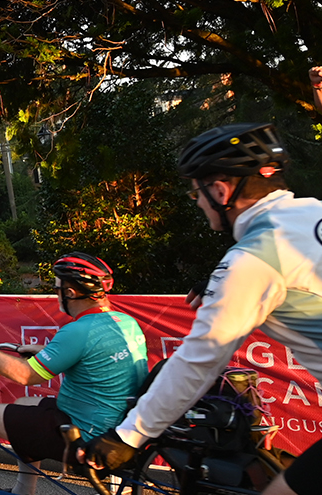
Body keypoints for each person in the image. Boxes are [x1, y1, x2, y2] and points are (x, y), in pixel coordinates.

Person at [82, 123, 322, 495]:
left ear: (221, 190)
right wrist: (224, 281)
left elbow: (198, 362)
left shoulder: (251, 261)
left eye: (196, 192)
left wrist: (129, 436)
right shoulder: (311, 214)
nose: (196, 202)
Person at [0, 252, 149, 494]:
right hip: (116, 425)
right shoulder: (125, 322)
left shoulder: (78, 330)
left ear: (71, 293)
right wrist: (46, 351)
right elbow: (93, 357)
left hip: (86, 434)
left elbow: (26, 375)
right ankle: (24, 490)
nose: (56, 294)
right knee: (23, 405)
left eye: (57, 289)